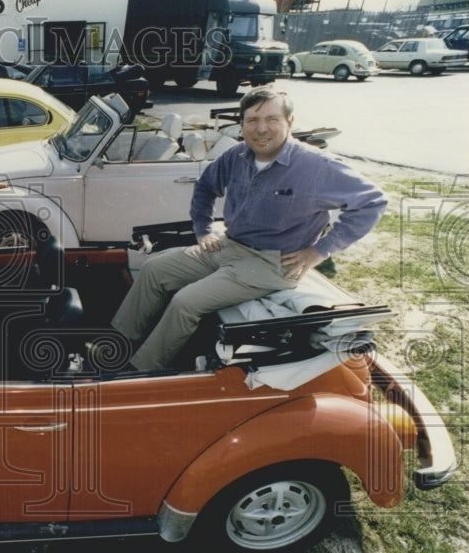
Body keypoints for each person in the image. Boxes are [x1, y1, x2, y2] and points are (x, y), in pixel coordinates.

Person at [111, 85, 387, 371]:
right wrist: (203, 230)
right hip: (230, 247)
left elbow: (373, 202)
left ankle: (139, 370)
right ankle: (117, 342)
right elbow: (206, 187)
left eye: (272, 119)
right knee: (155, 269)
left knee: (186, 302)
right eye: (252, 120)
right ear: (241, 123)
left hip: (272, 264)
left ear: (289, 123)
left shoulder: (317, 166)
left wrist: (320, 251)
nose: (261, 129)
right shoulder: (237, 156)